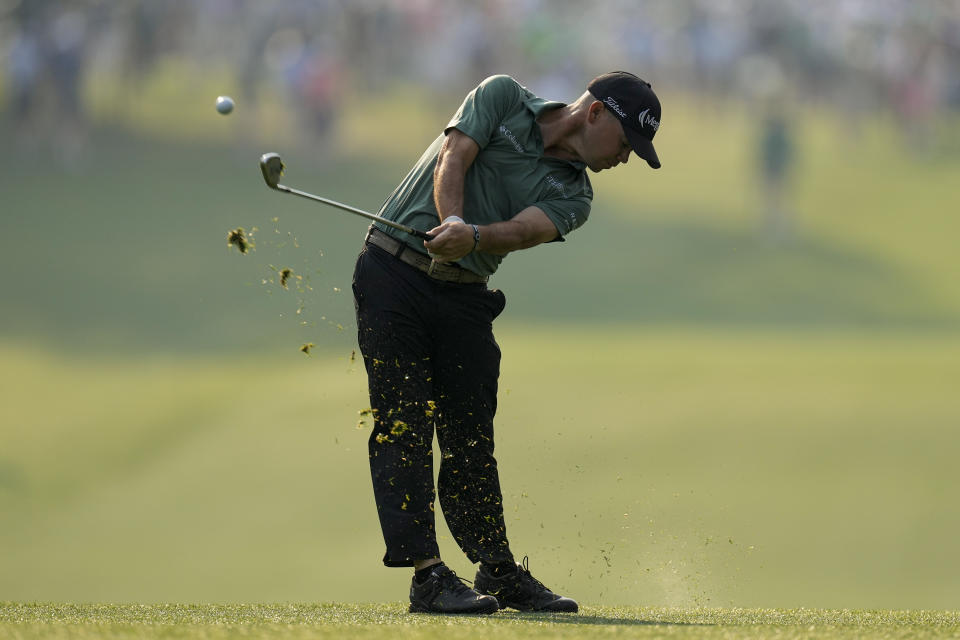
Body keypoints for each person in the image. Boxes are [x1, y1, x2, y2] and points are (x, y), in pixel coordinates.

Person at [351, 71, 662, 614]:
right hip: (392, 274)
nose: (626, 158)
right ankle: (427, 577)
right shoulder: (502, 96)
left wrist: (468, 237)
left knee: (471, 436)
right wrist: (451, 220)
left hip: (464, 295)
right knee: (403, 423)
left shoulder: (575, 195)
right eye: (627, 143)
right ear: (595, 113)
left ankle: (496, 570)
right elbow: (454, 157)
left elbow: (521, 231)